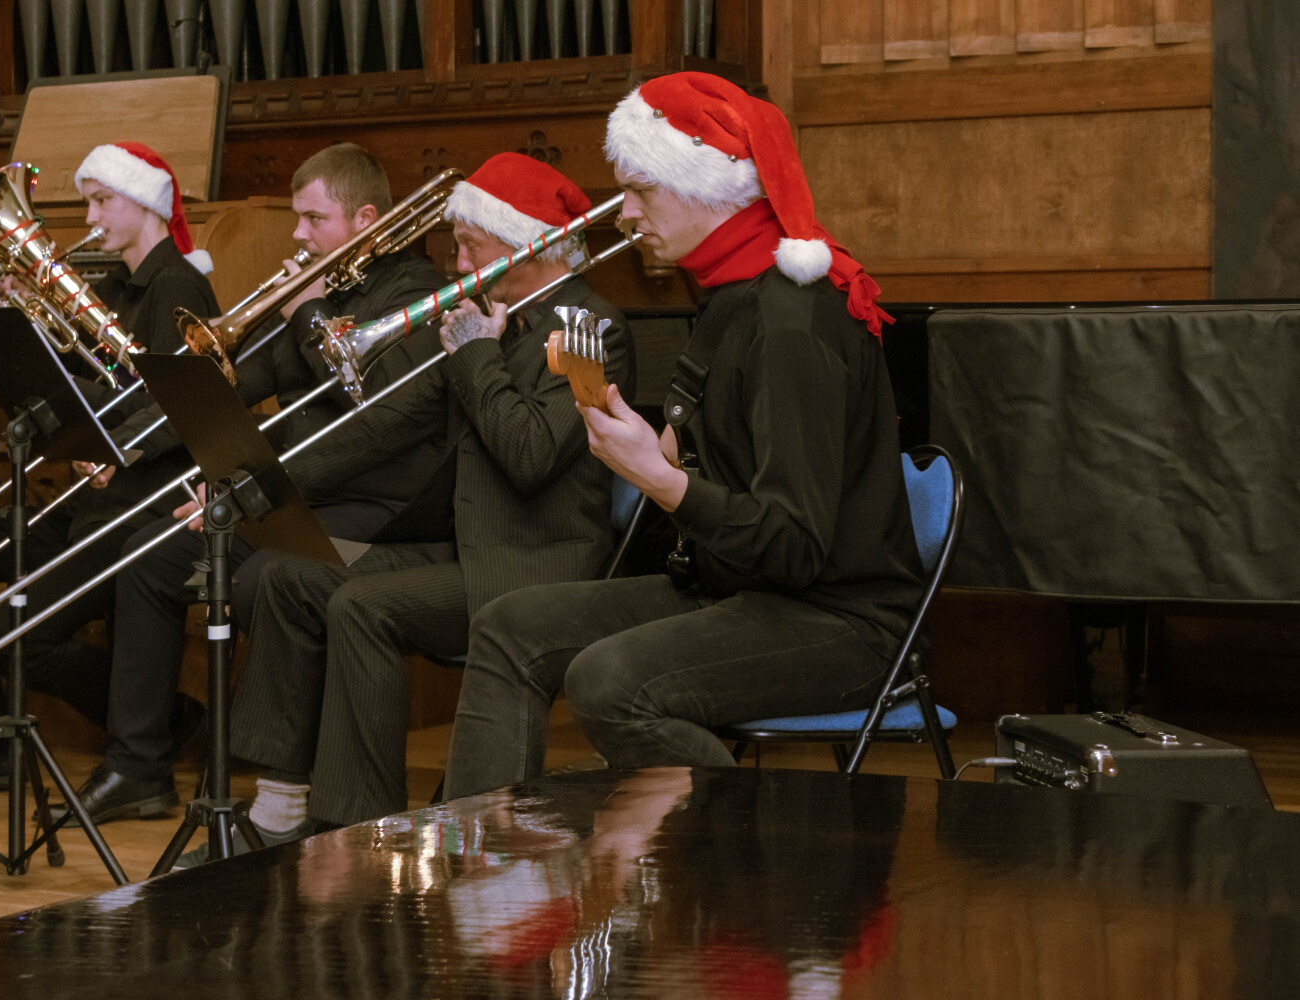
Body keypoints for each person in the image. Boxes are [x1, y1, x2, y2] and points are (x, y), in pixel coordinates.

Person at [442, 71, 922, 799]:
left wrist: (663, 480)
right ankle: (489, 885)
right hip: (734, 584)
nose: (626, 214)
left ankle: (729, 875)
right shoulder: (731, 295)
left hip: (836, 619)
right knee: (511, 626)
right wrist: (664, 451)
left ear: (705, 187)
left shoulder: (792, 321)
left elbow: (794, 547)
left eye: (643, 190)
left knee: (609, 683)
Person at [174, 152, 633, 864]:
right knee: (293, 575)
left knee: (364, 606)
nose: (456, 258)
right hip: (460, 543)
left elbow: (533, 453)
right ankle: (279, 806)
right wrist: (245, 483)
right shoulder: (489, 317)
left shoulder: (584, 329)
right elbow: (384, 423)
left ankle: (351, 829)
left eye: (473, 243)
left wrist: (476, 356)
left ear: (525, 244)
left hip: (531, 562)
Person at [47, 143, 449, 825]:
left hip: (374, 504)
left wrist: (308, 313)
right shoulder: (324, 288)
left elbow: (374, 401)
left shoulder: (415, 290)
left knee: (266, 574)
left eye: (312, 219)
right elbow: (230, 383)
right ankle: (139, 765)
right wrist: (125, 444)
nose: (297, 235)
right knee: (148, 556)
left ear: (365, 218)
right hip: (291, 492)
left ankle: (285, 781)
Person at [0, 142, 220, 803]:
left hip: (141, 508)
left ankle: (161, 724)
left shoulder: (178, 285)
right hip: (88, 505)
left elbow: (174, 402)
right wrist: (26, 328)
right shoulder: (112, 287)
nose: (92, 215)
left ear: (148, 202)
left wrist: (114, 446)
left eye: (103, 200)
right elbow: (83, 389)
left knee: (6, 634)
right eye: (89, 200)